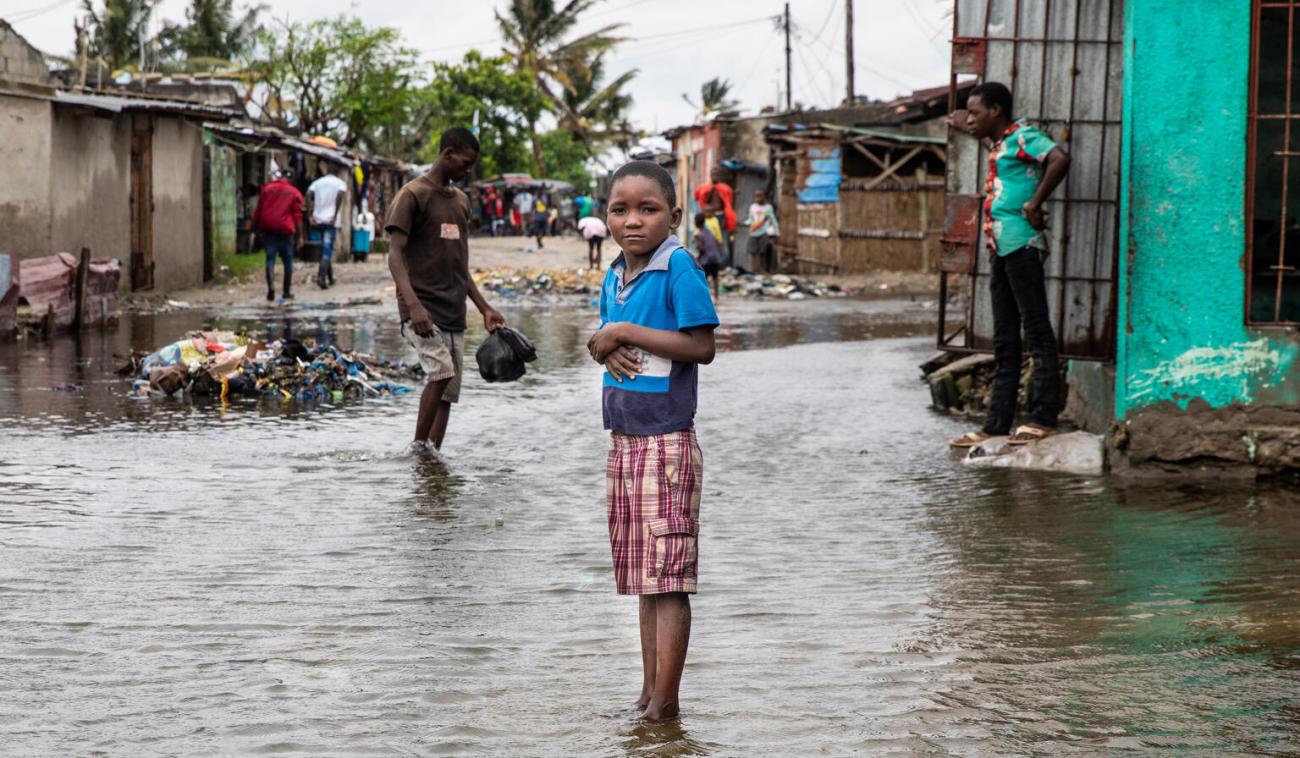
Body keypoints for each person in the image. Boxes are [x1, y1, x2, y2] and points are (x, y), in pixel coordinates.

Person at [586, 160, 719, 723]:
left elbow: (701, 346)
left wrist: (624, 333)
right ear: (606, 217)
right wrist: (605, 342)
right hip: (625, 443)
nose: (633, 221)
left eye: (648, 210)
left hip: (666, 444)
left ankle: (667, 704)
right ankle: (648, 696)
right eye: (620, 210)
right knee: (646, 581)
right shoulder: (615, 275)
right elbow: (603, 342)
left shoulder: (679, 266)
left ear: (674, 216)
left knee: (668, 582)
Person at [947, 81, 1071, 449]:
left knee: (1036, 329)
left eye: (975, 112)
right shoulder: (1001, 145)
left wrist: (1034, 205)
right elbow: (996, 150)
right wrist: (963, 125)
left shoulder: (1023, 137)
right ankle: (996, 425)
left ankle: (1043, 418)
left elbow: (1060, 158)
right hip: (1000, 247)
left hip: (1021, 243)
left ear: (996, 111)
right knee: (1005, 336)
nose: (970, 118)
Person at [386, 127, 507, 456]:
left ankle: (432, 461)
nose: (469, 171)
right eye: (466, 163)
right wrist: (414, 307)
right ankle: (417, 450)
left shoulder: (461, 202)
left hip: (453, 310)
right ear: (447, 154)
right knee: (440, 372)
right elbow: (394, 255)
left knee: (448, 390)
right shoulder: (412, 195)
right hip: (421, 309)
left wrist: (484, 308)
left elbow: (459, 266)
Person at [250, 170, 303, 303]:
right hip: (286, 231)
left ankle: (271, 290)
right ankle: (286, 292)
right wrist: (300, 235)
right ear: (291, 180)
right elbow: (297, 217)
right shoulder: (294, 192)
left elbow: (258, 210)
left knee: (270, 260)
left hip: (269, 230)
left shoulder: (267, 189)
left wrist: (255, 228)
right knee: (288, 262)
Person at [305, 165, 349, 289]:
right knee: (327, 250)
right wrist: (335, 214)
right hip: (330, 220)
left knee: (325, 249)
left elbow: (308, 193)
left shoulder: (318, 182)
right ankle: (321, 277)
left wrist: (310, 215)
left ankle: (329, 277)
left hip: (318, 219)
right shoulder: (339, 183)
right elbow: (340, 193)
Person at [692, 165, 737, 265]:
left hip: (721, 217)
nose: (715, 175)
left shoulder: (725, 189)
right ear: (710, 175)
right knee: (706, 240)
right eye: (713, 173)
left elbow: (728, 203)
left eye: (717, 174)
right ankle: (705, 264)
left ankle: (722, 265)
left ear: (720, 176)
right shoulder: (704, 188)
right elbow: (697, 197)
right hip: (707, 218)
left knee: (722, 241)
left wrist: (726, 217)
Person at [744, 188, 779, 273]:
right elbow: (750, 219)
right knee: (752, 252)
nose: (758, 198)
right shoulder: (752, 207)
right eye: (757, 196)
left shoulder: (768, 208)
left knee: (762, 252)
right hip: (753, 232)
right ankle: (751, 270)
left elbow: (773, 220)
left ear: (764, 196)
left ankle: (762, 269)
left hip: (764, 232)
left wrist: (777, 231)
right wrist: (746, 222)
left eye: (760, 196)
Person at [693, 212, 722, 299]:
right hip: (715, 258)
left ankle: (704, 298)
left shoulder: (698, 235)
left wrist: (697, 258)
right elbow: (716, 242)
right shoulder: (710, 232)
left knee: (703, 279)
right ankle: (716, 297)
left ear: (696, 223)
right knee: (715, 277)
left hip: (707, 260)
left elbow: (701, 249)